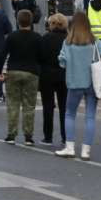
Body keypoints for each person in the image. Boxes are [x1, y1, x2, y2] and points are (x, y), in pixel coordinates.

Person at [55, 12, 101, 160]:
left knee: (69, 114)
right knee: (90, 117)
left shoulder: (68, 42)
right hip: (92, 83)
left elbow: (62, 61)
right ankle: (86, 151)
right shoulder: (94, 41)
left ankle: (69, 148)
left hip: (74, 82)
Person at [0, 9, 43, 145]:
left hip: (13, 71)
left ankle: (11, 134)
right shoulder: (37, 37)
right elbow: (41, 57)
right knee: (29, 105)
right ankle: (28, 136)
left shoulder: (11, 36)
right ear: (31, 21)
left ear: (17, 21)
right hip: (31, 72)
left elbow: (3, 54)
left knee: (13, 103)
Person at [39, 14, 69, 146]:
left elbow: (39, 57)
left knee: (48, 106)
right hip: (64, 75)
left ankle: (48, 136)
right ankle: (65, 136)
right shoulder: (68, 39)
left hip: (47, 75)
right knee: (64, 108)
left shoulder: (45, 38)